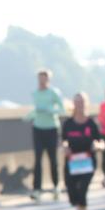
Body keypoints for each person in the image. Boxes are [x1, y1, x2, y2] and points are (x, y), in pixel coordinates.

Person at [62, 93, 105, 210]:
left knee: (83, 191)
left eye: (82, 102)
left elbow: (101, 142)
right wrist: (65, 147)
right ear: (73, 104)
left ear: (86, 104)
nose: (79, 105)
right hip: (72, 163)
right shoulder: (68, 123)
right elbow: (63, 140)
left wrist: (97, 146)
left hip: (87, 162)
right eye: (77, 102)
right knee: (72, 194)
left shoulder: (91, 123)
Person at [24, 69, 66, 201]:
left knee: (53, 159)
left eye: (44, 78)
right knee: (38, 159)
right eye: (40, 78)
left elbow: (62, 109)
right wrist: (30, 115)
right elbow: (35, 110)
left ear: (48, 79)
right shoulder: (35, 93)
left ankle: (56, 186)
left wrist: (50, 110)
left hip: (52, 128)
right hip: (38, 128)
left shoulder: (54, 93)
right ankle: (37, 189)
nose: (42, 81)